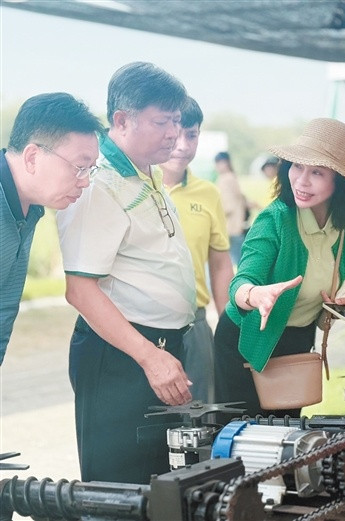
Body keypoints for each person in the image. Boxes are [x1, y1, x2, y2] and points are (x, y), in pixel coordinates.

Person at [56, 62, 197, 485]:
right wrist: (150, 357)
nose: (173, 133)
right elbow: (80, 290)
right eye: (161, 122)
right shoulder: (99, 184)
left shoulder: (146, 171)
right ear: (121, 120)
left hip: (158, 349)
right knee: (117, 489)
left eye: (177, 120)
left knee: (158, 485)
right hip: (123, 355)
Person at [214, 118, 345, 418]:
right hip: (247, 339)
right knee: (243, 436)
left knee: (290, 436)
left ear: (340, 182)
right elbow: (242, 281)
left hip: (298, 342)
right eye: (297, 166)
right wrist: (254, 295)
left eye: (317, 172)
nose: (301, 181)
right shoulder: (274, 219)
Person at [0, 92, 102, 365]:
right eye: (80, 167)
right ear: (32, 157)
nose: (85, 182)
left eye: (90, 169)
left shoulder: (28, 208)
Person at [160, 97, 233, 404]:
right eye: (175, 135)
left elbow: (220, 264)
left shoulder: (208, 193)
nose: (182, 146)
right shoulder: (136, 188)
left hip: (195, 324)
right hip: (145, 328)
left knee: (200, 418)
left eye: (191, 135)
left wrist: (228, 327)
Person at [214, 151, 248, 265]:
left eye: (220, 163)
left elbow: (228, 205)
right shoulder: (228, 177)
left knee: (236, 260)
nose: (218, 166)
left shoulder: (227, 178)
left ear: (226, 163)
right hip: (232, 225)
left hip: (232, 225)